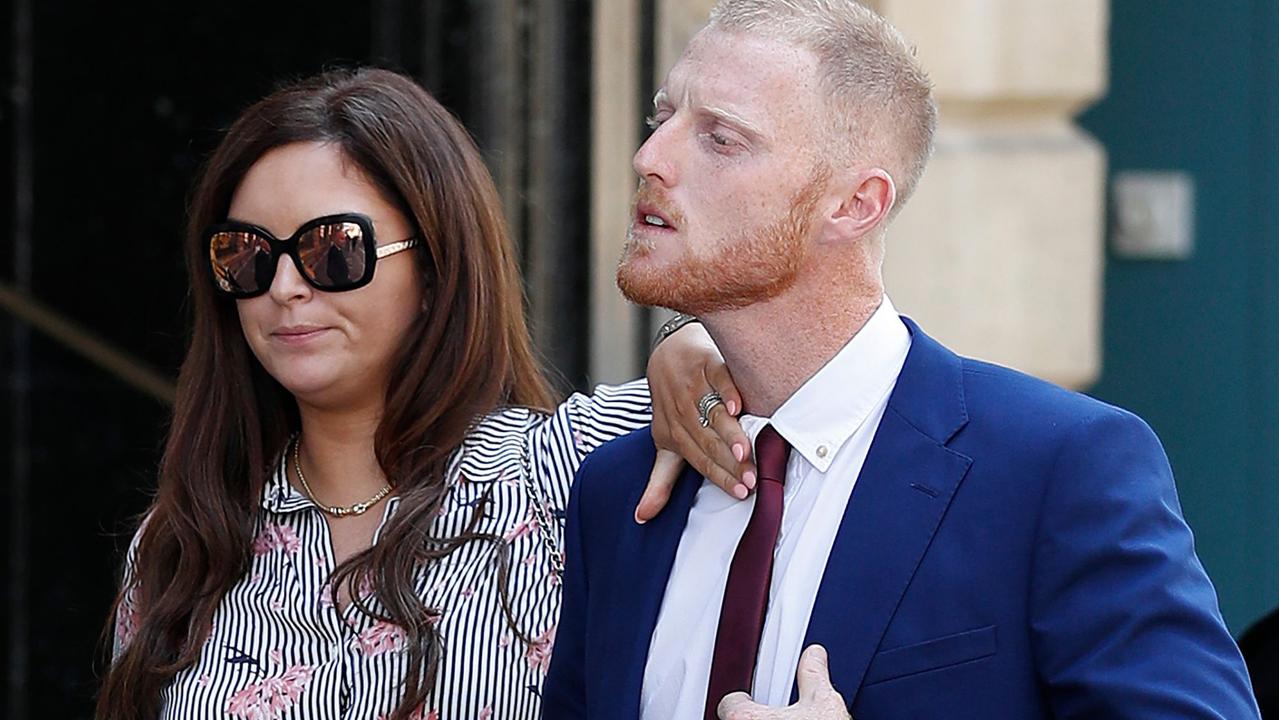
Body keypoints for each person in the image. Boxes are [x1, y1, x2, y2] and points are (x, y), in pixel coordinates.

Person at [542, 1, 1260, 718]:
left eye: (721, 138)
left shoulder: (1057, 467)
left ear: (855, 205)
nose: (649, 158)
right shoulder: (618, 493)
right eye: (659, 118)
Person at [96, 68, 753, 720]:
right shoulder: (183, 543)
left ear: (435, 267)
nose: (285, 286)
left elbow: (782, 379)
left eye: (333, 249)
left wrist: (688, 343)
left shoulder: (558, 472)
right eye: (247, 254)